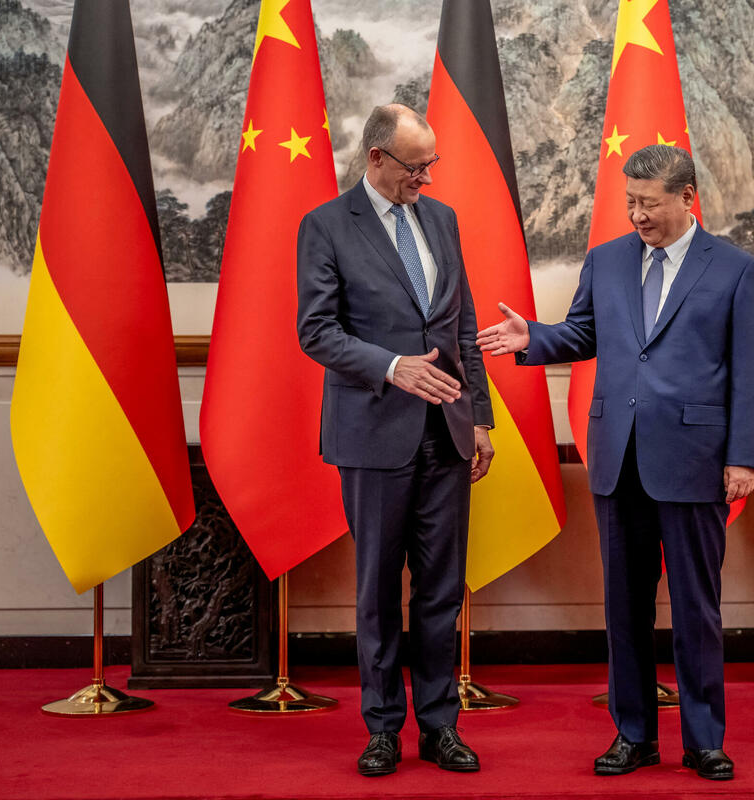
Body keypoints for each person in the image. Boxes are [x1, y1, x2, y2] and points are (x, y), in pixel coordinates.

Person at [478, 145, 754, 782]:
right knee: (624, 609)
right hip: (618, 458)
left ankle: (704, 741)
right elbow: (583, 333)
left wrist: (743, 457)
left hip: (695, 460)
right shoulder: (606, 260)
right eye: (630, 202)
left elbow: (752, 372)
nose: (636, 215)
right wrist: (534, 337)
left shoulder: (737, 270)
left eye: (649, 203)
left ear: (687, 197)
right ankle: (633, 735)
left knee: (696, 609)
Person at [297, 104, 494, 777]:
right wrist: (391, 366)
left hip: (447, 435)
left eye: (431, 165)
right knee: (379, 590)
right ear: (376, 157)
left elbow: (461, 326)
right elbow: (316, 330)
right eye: (416, 166)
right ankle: (382, 728)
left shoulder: (441, 220)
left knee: (442, 589)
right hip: (374, 434)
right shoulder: (326, 225)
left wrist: (480, 418)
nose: (426, 179)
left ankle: (440, 727)